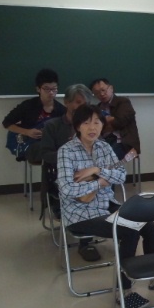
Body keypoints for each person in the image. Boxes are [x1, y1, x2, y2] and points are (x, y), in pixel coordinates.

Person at [57, 105, 154, 308]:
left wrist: (96, 170)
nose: (92, 127)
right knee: (129, 232)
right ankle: (124, 291)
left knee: (148, 224)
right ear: (77, 126)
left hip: (106, 205)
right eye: (86, 123)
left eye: (97, 122)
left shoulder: (103, 147)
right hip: (80, 214)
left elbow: (121, 175)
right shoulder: (66, 152)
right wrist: (100, 183)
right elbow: (67, 189)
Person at [39, 84, 96, 260]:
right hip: (63, 175)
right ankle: (86, 243)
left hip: (88, 174)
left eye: (85, 104)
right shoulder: (53, 125)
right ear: (67, 102)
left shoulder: (91, 126)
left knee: (100, 183)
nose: (82, 107)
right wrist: (69, 156)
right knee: (84, 193)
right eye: (78, 102)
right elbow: (45, 154)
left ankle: (100, 225)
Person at [2, 68, 66, 163]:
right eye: (46, 89)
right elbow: (6, 123)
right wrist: (27, 132)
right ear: (38, 89)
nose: (51, 92)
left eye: (54, 89)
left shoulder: (61, 110)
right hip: (29, 145)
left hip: (49, 146)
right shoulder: (28, 105)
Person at [90, 78, 140, 160]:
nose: (101, 94)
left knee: (107, 158)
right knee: (90, 155)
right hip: (104, 140)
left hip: (123, 141)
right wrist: (110, 119)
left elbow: (121, 121)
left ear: (111, 88)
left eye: (103, 90)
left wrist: (108, 122)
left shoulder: (123, 102)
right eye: (97, 93)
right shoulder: (97, 108)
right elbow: (97, 127)